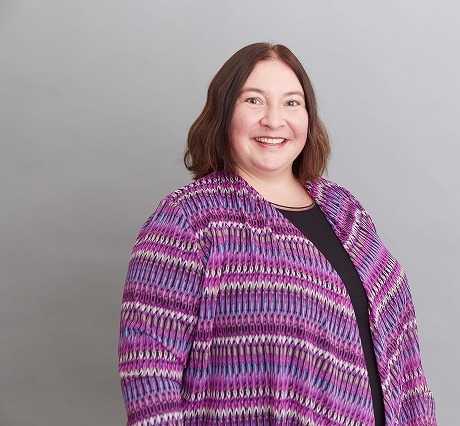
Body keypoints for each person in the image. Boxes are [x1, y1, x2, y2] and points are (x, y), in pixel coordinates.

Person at [118, 42, 436, 426]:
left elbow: (405, 360)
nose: (274, 120)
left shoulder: (346, 210)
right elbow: (148, 370)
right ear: (224, 113)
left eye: (291, 103)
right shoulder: (188, 219)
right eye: (254, 100)